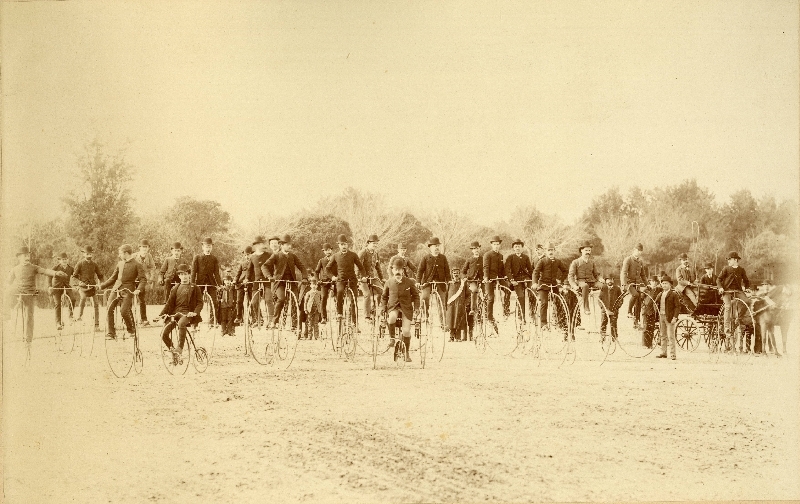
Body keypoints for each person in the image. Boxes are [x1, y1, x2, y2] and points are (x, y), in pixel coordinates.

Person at [5, 246, 69, 344]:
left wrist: (56, 273)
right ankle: (6, 314)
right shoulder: (15, 269)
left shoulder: (33, 267)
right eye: (24, 256)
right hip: (19, 290)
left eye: (28, 256)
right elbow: (8, 282)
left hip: (29, 293)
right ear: (19, 257)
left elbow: (45, 271)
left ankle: (28, 340)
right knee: (7, 291)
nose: (27, 258)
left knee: (29, 316)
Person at [159, 264, 203, 364]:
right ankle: (173, 351)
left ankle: (180, 348)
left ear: (189, 275)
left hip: (188, 314)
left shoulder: (195, 287)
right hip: (175, 313)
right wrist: (161, 315)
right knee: (164, 333)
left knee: (181, 323)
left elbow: (200, 303)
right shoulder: (175, 288)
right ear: (179, 276)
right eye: (181, 274)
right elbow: (169, 303)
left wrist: (194, 313)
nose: (184, 276)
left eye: (186, 274)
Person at [101, 244, 146, 340]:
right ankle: (111, 333)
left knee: (124, 310)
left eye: (120, 253)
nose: (119, 255)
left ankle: (131, 330)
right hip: (116, 289)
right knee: (109, 308)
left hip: (128, 290)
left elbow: (143, 279)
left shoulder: (137, 264)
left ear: (126, 253)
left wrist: (138, 289)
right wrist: (102, 286)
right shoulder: (120, 264)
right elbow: (113, 278)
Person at [380, 256, 420, 362]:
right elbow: (384, 297)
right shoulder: (389, 282)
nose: (397, 272)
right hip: (393, 307)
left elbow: (416, 296)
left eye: (400, 269)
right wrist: (383, 307)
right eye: (395, 269)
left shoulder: (409, 282)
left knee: (406, 331)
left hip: (406, 308)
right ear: (392, 270)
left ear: (403, 270)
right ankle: (392, 338)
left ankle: (407, 352)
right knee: (391, 318)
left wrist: (416, 307)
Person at [263, 234, 306, 328]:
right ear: (281, 245)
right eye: (287, 245)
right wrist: (269, 276)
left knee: (296, 301)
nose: (289, 246)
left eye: (290, 244)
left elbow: (302, 267)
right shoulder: (276, 255)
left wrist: (304, 278)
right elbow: (264, 266)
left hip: (291, 282)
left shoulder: (293, 256)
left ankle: (295, 325)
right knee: (281, 299)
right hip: (279, 282)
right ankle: (274, 321)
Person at [327, 234, 366, 324]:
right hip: (341, 279)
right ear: (339, 245)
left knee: (353, 300)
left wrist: (363, 276)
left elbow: (361, 267)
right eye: (341, 244)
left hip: (352, 280)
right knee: (340, 292)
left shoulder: (353, 255)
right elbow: (327, 268)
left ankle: (354, 322)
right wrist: (332, 277)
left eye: (345, 244)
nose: (343, 246)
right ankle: (339, 313)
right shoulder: (335, 256)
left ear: (347, 244)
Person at [717, 251, 751, 352]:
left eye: (730, 259)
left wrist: (747, 288)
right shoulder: (726, 269)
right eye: (728, 259)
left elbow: (746, 280)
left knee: (747, 301)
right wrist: (720, 288)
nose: (728, 261)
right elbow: (718, 279)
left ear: (735, 260)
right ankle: (726, 328)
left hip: (738, 291)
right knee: (727, 306)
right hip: (727, 291)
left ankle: (739, 318)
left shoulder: (741, 270)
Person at [416, 237, 452, 325]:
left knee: (442, 301)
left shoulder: (443, 258)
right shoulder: (426, 258)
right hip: (428, 282)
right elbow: (420, 270)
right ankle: (425, 315)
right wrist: (418, 281)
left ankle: (443, 322)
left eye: (438, 246)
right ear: (430, 248)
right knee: (424, 297)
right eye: (434, 246)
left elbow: (447, 271)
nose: (436, 248)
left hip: (440, 283)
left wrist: (449, 281)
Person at [533, 242, 567, 329]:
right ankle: (543, 323)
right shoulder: (542, 261)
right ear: (546, 251)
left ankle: (560, 322)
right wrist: (535, 283)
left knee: (559, 301)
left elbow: (565, 271)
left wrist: (560, 279)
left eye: (552, 250)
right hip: (543, 285)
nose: (550, 252)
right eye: (549, 250)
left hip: (553, 285)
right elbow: (535, 272)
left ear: (554, 251)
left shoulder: (558, 261)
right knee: (544, 302)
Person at [191, 237, 222, 325]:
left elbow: (216, 273)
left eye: (210, 247)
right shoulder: (197, 257)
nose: (208, 248)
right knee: (197, 302)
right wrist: (192, 283)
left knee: (214, 302)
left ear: (211, 247)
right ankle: (195, 321)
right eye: (206, 246)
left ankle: (212, 320)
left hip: (211, 283)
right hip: (199, 283)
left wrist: (219, 284)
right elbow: (193, 272)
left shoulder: (214, 259)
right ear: (203, 247)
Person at [72, 245, 104, 330]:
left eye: (90, 254)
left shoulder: (94, 264)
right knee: (83, 298)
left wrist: (100, 284)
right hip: (83, 287)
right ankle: (79, 315)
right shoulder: (79, 264)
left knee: (96, 304)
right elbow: (74, 277)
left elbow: (100, 275)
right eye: (87, 254)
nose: (89, 256)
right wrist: (79, 282)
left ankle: (96, 325)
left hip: (92, 287)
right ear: (84, 254)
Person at [568, 242, 600, 317]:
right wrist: (574, 285)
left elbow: (596, 274)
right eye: (586, 250)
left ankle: (606, 307)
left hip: (592, 281)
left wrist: (600, 278)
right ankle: (586, 308)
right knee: (585, 286)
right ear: (581, 250)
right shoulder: (575, 262)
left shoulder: (592, 262)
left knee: (604, 286)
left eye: (589, 250)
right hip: (581, 282)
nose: (588, 252)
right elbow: (571, 276)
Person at [504, 238, 532, 322]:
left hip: (525, 278)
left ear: (522, 248)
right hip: (516, 280)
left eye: (519, 246)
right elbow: (507, 270)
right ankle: (521, 317)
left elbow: (530, 269)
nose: (517, 248)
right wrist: (512, 280)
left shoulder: (525, 257)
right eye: (516, 246)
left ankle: (532, 311)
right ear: (513, 248)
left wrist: (532, 279)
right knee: (521, 296)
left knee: (532, 292)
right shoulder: (510, 257)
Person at [247, 236, 272, 325]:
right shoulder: (252, 257)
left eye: (262, 244)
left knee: (268, 299)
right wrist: (246, 278)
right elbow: (249, 270)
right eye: (259, 244)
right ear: (256, 246)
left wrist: (271, 276)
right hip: (257, 281)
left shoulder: (268, 255)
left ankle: (272, 320)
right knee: (254, 301)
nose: (261, 245)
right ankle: (259, 319)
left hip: (267, 281)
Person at [358, 234, 384, 320]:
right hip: (362, 278)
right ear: (368, 243)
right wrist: (361, 277)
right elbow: (357, 266)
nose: (375, 245)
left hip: (372, 278)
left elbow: (378, 267)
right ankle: (367, 316)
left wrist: (382, 278)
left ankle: (376, 307)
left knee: (383, 291)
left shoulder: (376, 253)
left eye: (376, 244)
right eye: (374, 243)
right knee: (367, 294)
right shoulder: (363, 253)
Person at [620, 243, 646, 328]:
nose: (639, 252)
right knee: (635, 295)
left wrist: (647, 285)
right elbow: (624, 273)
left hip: (637, 284)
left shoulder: (640, 262)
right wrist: (624, 284)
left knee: (638, 302)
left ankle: (636, 322)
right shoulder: (628, 260)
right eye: (638, 250)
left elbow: (643, 275)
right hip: (629, 283)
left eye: (641, 251)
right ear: (634, 250)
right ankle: (629, 311)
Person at [461, 241, 483, 339]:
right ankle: (473, 309)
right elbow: (463, 271)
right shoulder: (469, 260)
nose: (476, 250)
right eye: (474, 249)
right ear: (472, 251)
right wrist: (465, 277)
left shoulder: (483, 259)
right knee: (474, 290)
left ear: (479, 249)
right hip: (472, 281)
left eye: (477, 248)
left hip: (482, 281)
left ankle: (485, 310)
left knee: (486, 294)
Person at [655, 275, 680, 360]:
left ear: (670, 285)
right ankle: (663, 353)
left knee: (671, 336)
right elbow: (655, 303)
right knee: (662, 335)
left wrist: (675, 317)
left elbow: (677, 307)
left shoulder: (673, 294)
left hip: (669, 318)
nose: (664, 285)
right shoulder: (660, 294)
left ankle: (673, 354)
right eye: (663, 283)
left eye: (666, 283)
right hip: (661, 316)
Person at [482, 235, 505, 331]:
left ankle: (506, 310)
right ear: (491, 245)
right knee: (491, 297)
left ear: (500, 245)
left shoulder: (501, 256)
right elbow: (486, 267)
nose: (496, 246)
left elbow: (501, 268)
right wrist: (486, 277)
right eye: (494, 244)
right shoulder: (487, 255)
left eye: (497, 244)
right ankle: (489, 317)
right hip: (489, 279)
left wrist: (504, 276)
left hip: (498, 278)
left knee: (508, 289)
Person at [50, 252, 76, 330]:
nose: (64, 261)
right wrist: (49, 286)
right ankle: (58, 323)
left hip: (66, 286)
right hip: (57, 287)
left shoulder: (70, 268)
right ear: (59, 260)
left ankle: (70, 316)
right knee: (58, 304)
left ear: (67, 259)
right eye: (62, 259)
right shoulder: (55, 268)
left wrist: (80, 282)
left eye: (65, 259)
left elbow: (77, 275)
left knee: (73, 299)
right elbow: (49, 276)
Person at [136, 239, 156, 326]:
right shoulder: (134, 256)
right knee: (129, 299)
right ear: (139, 247)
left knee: (142, 300)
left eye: (146, 247)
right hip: (133, 279)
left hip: (142, 280)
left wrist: (151, 278)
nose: (144, 248)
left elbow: (152, 268)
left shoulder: (149, 256)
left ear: (148, 248)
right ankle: (128, 319)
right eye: (143, 247)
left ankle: (144, 319)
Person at [314, 243, 335, 324]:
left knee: (338, 296)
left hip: (334, 281)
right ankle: (324, 317)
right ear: (324, 251)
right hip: (324, 282)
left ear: (331, 250)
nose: (327, 252)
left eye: (329, 250)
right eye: (326, 250)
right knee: (323, 297)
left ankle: (339, 314)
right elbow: (316, 272)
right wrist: (318, 280)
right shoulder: (322, 261)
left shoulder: (335, 259)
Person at [232, 245, 253, 325]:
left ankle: (256, 317)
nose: (246, 256)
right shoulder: (242, 263)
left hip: (250, 283)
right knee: (239, 301)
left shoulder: (254, 262)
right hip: (241, 284)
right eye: (245, 255)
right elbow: (238, 273)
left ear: (252, 254)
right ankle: (239, 317)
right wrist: (235, 280)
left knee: (253, 301)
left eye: (248, 254)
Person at [446, 268, 467, 341]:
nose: (456, 275)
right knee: (451, 320)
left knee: (458, 320)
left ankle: (458, 337)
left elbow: (468, 294)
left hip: (460, 305)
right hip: (451, 305)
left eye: (457, 273)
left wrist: (465, 303)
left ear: (459, 274)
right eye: (454, 273)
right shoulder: (449, 284)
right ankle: (451, 337)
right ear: (452, 274)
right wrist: (446, 304)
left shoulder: (463, 284)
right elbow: (446, 295)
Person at [640, 276, 661, 348]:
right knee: (646, 327)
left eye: (656, 281)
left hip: (653, 311)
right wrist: (643, 306)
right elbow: (640, 299)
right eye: (653, 281)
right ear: (650, 282)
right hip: (646, 310)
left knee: (652, 328)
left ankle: (650, 344)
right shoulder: (646, 289)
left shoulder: (658, 290)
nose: (654, 283)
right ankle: (644, 344)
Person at [302, 274, 323, 340]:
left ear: (317, 285)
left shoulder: (319, 293)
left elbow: (322, 301)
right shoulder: (308, 293)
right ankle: (309, 336)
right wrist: (305, 309)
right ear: (310, 285)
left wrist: (320, 309)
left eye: (315, 284)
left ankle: (316, 336)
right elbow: (305, 302)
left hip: (317, 309)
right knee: (310, 323)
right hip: (310, 309)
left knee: (316, 323)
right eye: (312, 284)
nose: (314, 286)